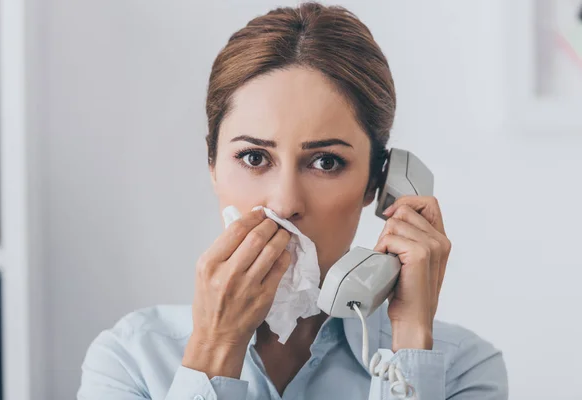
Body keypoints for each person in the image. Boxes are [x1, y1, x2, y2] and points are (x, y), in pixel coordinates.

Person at [77, 2, 508, 399]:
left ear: (379, 183)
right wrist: (215, 349)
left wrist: (411, 339)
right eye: (253, 157)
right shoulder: (128, 360)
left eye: (325, 162)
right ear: (212, 165)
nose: (285, 204)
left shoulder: (462, 369)